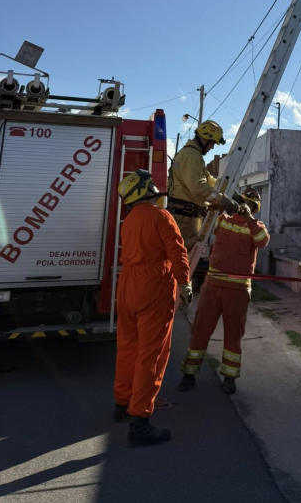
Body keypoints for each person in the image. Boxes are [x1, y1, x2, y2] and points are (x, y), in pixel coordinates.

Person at [113, 169, 192, 447]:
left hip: (126, 285)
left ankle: (122, 403)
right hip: (153, 286)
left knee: (127, 346)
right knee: (152, 354)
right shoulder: (161, 217)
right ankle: (140, 422)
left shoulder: (130, 219)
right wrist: (185, 284)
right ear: (147, 191)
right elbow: (177, 252)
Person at [177, 187, 269, 395]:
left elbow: (263, 240)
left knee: (233, 336)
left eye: (251, 206)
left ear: (255, 209)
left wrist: (249, 218)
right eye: (244, 203)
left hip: (237, 290)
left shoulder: (256, 227)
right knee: (200, 331)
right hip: (213, 286)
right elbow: (208, 216)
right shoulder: (223, 221)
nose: (246, 207)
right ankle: (189, 374)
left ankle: (229, 378)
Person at [167, 119, 238, 251]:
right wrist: (223, 200)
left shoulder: (192, 154)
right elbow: (198, 187)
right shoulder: (192, 155)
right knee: (179, 253)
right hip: (184, 217)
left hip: (185, 215)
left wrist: (231, 192)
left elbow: (207, 180)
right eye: (212, 143)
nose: (212, 147)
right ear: (205, 139)